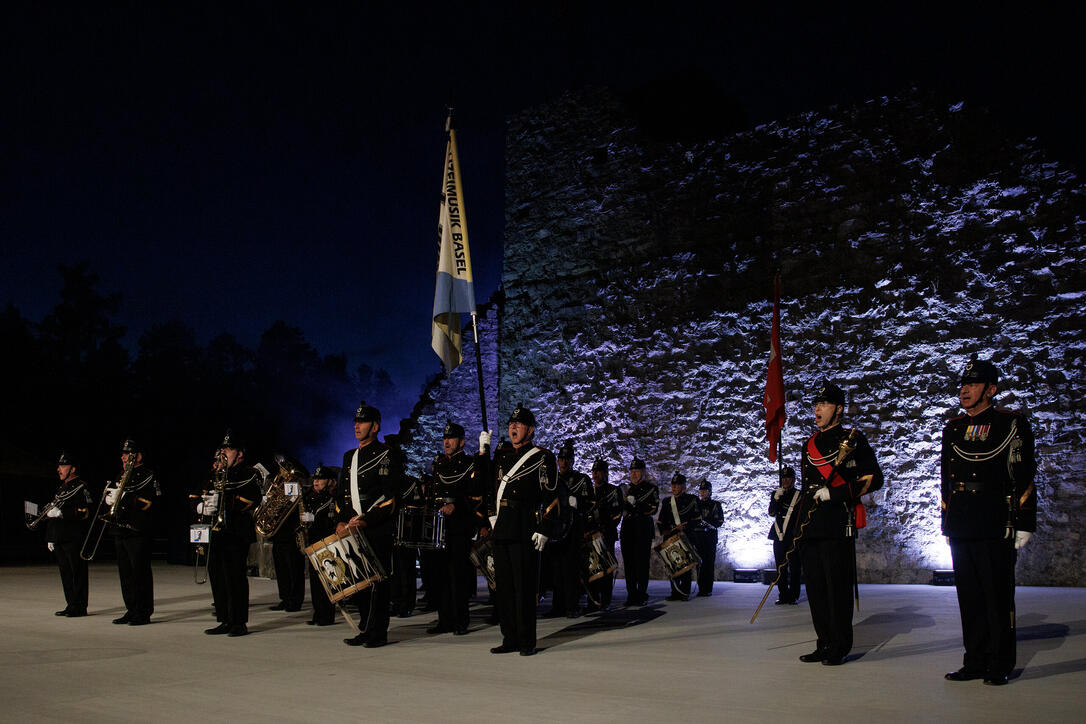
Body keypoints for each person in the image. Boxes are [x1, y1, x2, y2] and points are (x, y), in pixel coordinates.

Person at [942, 357, 1037, 687]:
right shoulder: (953, 428)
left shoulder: (1009, 424)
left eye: (973, 384)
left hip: (995, 518)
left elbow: (1024, 474)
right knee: (968, 596)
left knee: (996, 595)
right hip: (962, 520)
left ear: (991, 389)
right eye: (963, 385)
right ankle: (975, 659)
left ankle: (999, 662)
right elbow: (946, 480)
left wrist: (1024, 521)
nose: (965, 390)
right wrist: (947, 521)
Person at [799, 382, 883, 666]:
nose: (817, 409)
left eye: (823, 404)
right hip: (811, 526)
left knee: (837, 589)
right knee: (816, 589)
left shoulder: (852, 439)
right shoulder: (808, 444)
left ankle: (839, 645)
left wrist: (835, 493)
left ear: (838, 409)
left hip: (837, 523)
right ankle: (823, 642)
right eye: (816, 404)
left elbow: (874, 478)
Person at [479, 405, 561, 656]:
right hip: (502, 527)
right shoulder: (501, 455)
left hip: (525, 526)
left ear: (531, 429)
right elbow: (486, 486)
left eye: (519, 424)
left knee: (524, 589)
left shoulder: (542, 457)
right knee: (503, 589)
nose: (513, 427)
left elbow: (553, 496)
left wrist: (545, 528)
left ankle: (527, 641)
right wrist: (483, 452)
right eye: (511, 425)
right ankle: (510, 638)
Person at [335, 401, 401, 648]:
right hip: (353, 528)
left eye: (362, 422)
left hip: (376, 528)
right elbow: (343, 494)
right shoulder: (349, 457)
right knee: (359, 582)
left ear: (375, 426)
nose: (357, 425)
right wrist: (342, 519)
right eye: (355, 422)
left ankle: (378, 632)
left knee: (378, 583)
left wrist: (366, 520)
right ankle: (365, 627)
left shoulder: (387, 454)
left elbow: (391, 497)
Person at [200, 430, 262, 637]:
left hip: (236, 532)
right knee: (217, 576)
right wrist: (201, 506)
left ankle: (238, 622)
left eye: (228, 449)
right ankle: (224, 618)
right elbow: (199, 493)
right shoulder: (215, 472)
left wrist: (223, 502)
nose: (224, 452)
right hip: (216, 532)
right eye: (223, 449)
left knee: (234, 577)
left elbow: (252, 499)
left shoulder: (249, 473)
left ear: (240, 454)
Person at [426, 421, 477, 636]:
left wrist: (455, 505)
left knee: (458, 576)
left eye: (452, 438)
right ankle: (444, 619)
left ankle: (460, 621)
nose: (447, 441)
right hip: (440, 526)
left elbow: (475, 496)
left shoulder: (469, 464)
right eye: (445, 438)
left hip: (458, 526)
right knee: (440, 576)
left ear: (462, 442)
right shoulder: (440, 464)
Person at [106, 439, 160, 625]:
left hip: (138, 530)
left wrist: (124, 497)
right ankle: (131, 608)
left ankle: (143, 611)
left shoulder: (147, 475)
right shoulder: (121, 475)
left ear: (138, 456)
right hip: (120, 529)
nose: (123, 456)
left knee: (140, 572)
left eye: (127, 453)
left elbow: (148, 503)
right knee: (126, 573)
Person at [546, 440, 593, 618]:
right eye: (561, 459)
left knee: (571, 570)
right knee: (556, 570)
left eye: (567, 459)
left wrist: (578, 502)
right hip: (556, 531)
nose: (564, 462)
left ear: (572, 461)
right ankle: (557, 606)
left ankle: (572, 606)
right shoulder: (553, 481)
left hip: (573, 531)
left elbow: (591, 503)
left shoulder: (582, 480)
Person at [45, 451, 93, 617]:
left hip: (73, 537)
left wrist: (62, 513)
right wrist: (50, 537)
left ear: (73, 469)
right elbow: (52, 514)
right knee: (65, 573)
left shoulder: (81, 487)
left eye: (63, 465)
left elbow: (84, 512)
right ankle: (71, 603)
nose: (59, 469)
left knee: (77, 572)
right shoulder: (62, 488)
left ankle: (80, 606)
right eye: (59, 465)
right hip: (60, 537)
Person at [301, 464, 340, 626]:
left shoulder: (333, 498)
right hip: (312, 542)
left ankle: (327, 615)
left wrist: (314, 520)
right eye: (315, 478)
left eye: (320, 479)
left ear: (330, 481)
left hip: (327, 543)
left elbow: (333, 521)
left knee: (327, 581)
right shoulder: (309, 498)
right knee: (315, 582)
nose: (316, 482)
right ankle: (318, 613)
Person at [620, 456, 658, 606]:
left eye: (637, 471)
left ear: (643, 472)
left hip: (642, 528)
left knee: (642, 563)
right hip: (628, 529)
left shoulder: (650, 489)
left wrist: (637, 504)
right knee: (629, 563)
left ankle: (642, 594)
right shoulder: (625, 488)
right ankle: (631, 594)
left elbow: (653, 508)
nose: (634, 474)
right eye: (632, 471)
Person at [657, 472, 701, 601]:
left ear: (684, 487)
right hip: (671, 538)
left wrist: (686, 527)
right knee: (672, 566)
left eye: (678, 485)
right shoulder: (667, 502)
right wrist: (666, 531)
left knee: (686, 567)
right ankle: (675, 592)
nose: (675, 487)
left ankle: (685, 592)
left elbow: (697, 519)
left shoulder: (692, 500)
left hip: (685, 537)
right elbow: (661, 521)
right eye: (673, 485)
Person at [587, 458, 622, 611]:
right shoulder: (589, 491)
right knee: (592, 568)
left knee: (606, 569)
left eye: (598, 472)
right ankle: (593, 600)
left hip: (606, 535)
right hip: (591, 536)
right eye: (594, 472)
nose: (595, 475)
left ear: (605, 473)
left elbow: (616, 514)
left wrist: (604, 529)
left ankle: (606, 600)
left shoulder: (614, 491)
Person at [767, 466, 802, 604]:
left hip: (792, 535)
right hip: (778, 534)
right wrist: (776, 499)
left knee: (794, 567)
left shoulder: (799, 495)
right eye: (783, 478)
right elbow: (771, 513)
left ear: (793, 479)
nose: (785, 481)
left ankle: (793, 595)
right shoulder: (776, 494)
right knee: (780, 567)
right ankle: (783, 595)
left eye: (788, 478)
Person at [692, 479, 724, 597]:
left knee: (709, 563)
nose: (703, 492)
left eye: (705, 490)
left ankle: (708, 588)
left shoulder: (715, 504)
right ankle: (701, 587)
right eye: (701, 490)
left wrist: (706, 522)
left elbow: (719, 521)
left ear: (710, 492)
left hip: (709, 537)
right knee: (699, 563)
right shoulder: (696, 504)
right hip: (699, 536)